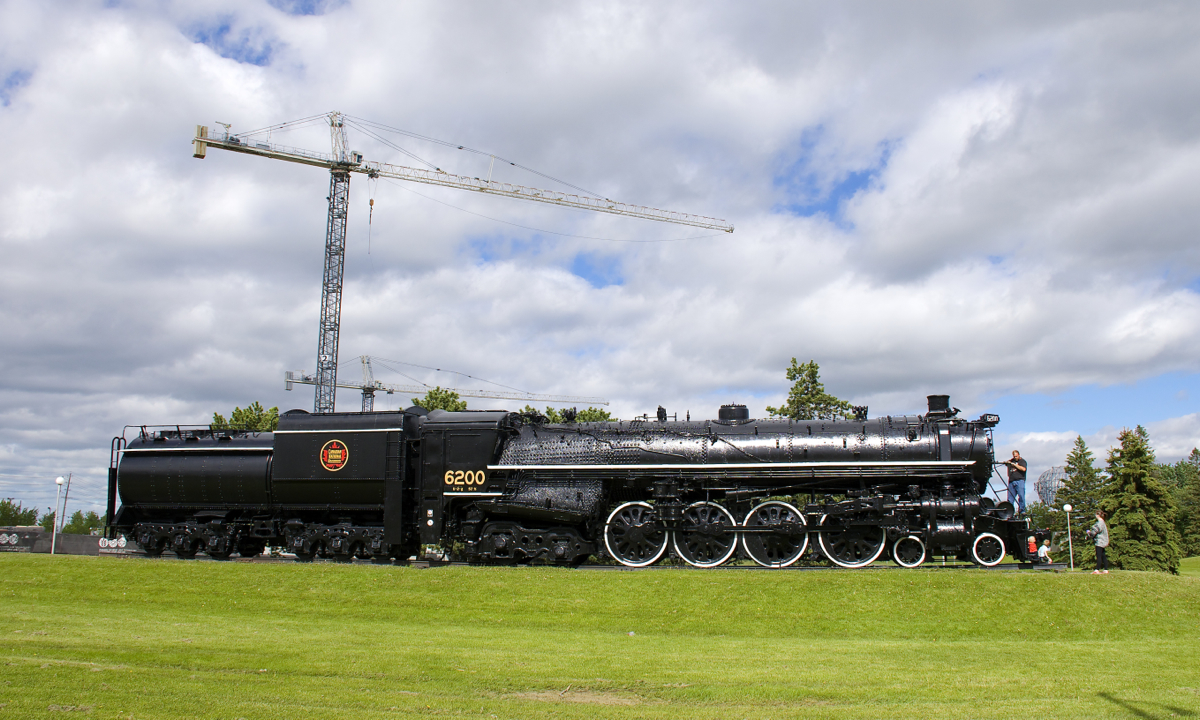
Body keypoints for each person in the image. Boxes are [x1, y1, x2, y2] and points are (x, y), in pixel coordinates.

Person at [1001, 450, 1028, 515]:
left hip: (1020, 481)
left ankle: (1022, 510)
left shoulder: (1022, 461)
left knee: (1021, 496)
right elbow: (1007, 464)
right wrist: (1007, 463)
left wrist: (1014, 465)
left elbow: (1023, 469)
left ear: (1019, 455)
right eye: (1014, 456)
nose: (1015, 457)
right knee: (1010, 499)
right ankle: (1010, 512)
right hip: (1011, 482)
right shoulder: (1012, 460)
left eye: (1016, 456)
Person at [1086, 510, 1110, 574]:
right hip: (1103, 541)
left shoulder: (1099, 523)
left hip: (1100, 541)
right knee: (1103, 555)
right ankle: (1105, 569)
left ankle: (1097, 569)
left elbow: (1094, 532)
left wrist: (1089, 533)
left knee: (1098, 556)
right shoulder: (1103, 522)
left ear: (1097, 515)